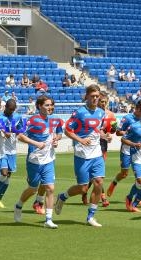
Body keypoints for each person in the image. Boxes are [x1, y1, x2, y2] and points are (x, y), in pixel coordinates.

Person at [55, 84, 112, 227]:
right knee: (83, 189)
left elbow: (96, 130)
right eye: (92, 96)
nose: (95, 98)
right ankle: (62, 197)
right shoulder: (79, 113)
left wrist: (105, 136)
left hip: (97, 154)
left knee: (99, 183)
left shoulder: (100, 112)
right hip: (82, 155)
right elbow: (67, 130)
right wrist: (80, 140)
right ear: (86, 96)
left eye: (97, 96)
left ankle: (91, 217)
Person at [13, 95, 62, 228]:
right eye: (47, 105)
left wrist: (57, 139)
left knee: (50, 188)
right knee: (33, 189)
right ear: (39, 106)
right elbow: (20, 135)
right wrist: (35, 143)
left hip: (49, 159)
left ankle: (48, 219)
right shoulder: (33, 120)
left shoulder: (55, 120)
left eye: (51, 105)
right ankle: (18, 205)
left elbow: (59, 133)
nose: (50, 107)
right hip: (34, 160)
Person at [106, 100, 141, 199]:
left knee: (140, 175)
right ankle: (114, 183)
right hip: (127, 149)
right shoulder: (127, 118)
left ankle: (136, 196)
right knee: (124, 174)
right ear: (136, 109)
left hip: (138, 150)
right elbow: (118, 132)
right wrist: (128, 133)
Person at [0, 99, 22, 208]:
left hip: (12, 150)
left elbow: (20, 131)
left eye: (13, 110)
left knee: (8, 177)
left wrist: (17, 135)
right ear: (5, 107)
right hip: (1, 149)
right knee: (4, 173)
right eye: (10, 109)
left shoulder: (18, 117)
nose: (11, 112)